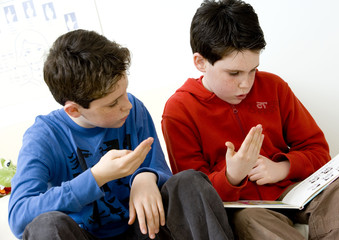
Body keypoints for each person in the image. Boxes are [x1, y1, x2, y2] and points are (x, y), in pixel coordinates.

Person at [8, 29, 234, 240]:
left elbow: (160, 169)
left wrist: (146, 176)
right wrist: (96, 178)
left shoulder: (133, 110)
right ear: (74, 110)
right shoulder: (43, 137)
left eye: (124, 92)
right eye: (113, 103)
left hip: (145, 229)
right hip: (84, 234)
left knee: (189, 181)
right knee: (47, 225)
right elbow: (19, 216)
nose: (126, 105)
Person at [161, 0, 339, 239]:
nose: (246, 83)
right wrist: (231, 176)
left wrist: (283, 168)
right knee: (251, 219)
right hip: (243, 207)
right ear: (200, 62)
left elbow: (318, 150)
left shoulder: (274, 87)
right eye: (234, 73)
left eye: (253, 70)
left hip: (292, 192)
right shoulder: (179, 110)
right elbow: (192, 197)